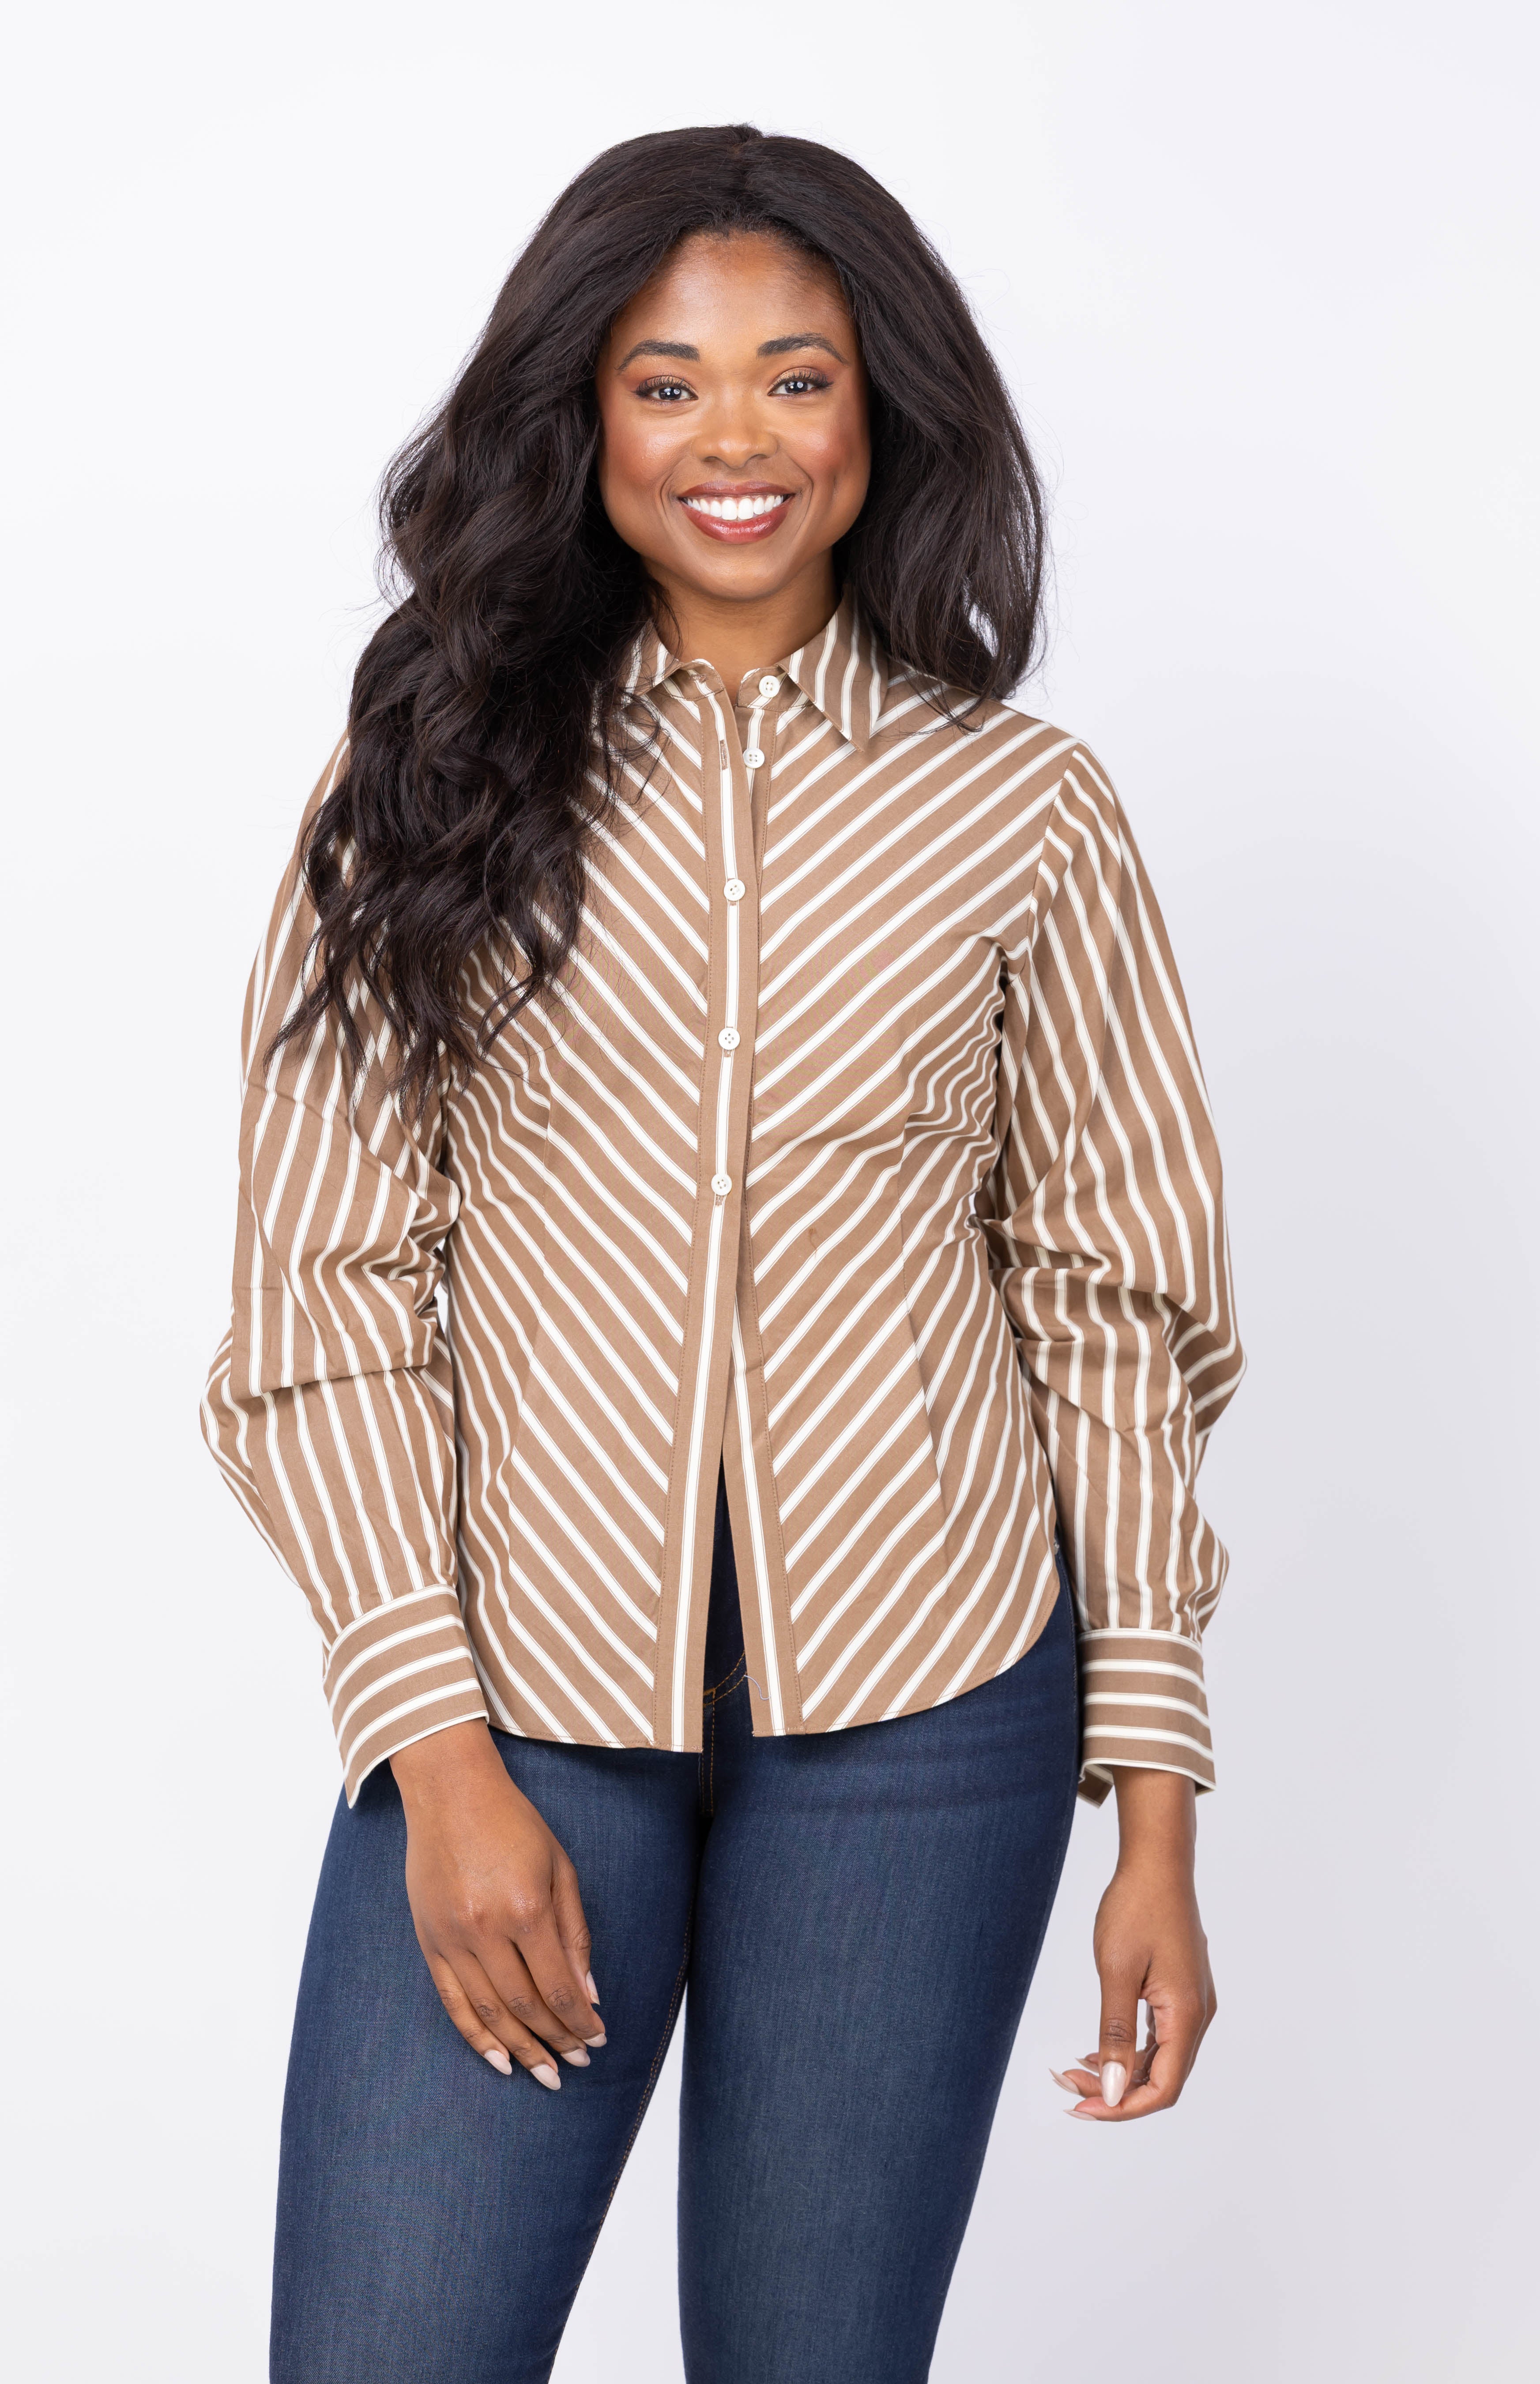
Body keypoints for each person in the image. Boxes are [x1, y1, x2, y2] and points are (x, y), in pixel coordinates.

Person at [201, 123, 1243, 2384]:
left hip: (930, 1726)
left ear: (884, 412)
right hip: (520, 1704)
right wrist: (435, 1757)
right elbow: (324, 1293)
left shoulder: (1025, 813)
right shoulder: (424, 782)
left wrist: (1154, 1815)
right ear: (582, 418)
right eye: (667, 383)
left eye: (795, 375)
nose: (734, 439)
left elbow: (1114, 1310)